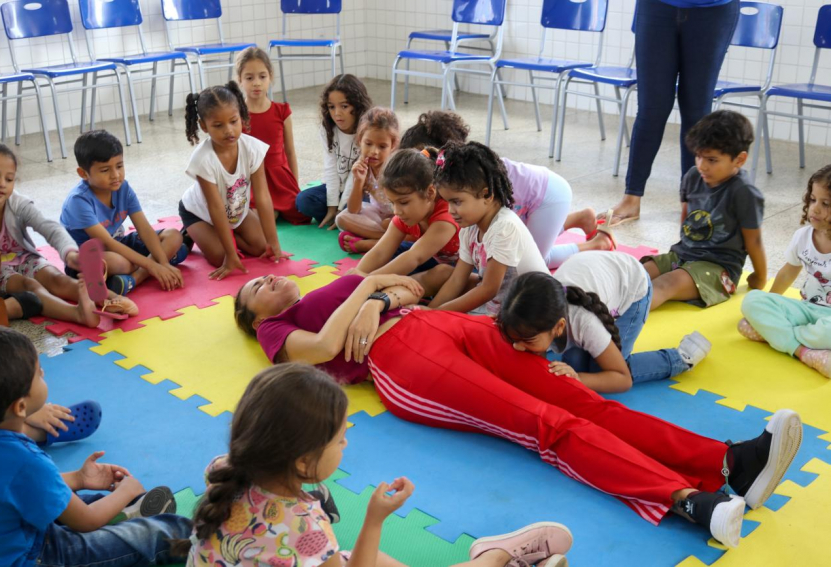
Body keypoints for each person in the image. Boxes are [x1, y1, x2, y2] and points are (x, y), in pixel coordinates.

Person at [233, 272, 803, 548]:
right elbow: (329, 350)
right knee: (544, 423)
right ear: (253, 316)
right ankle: (687, 501)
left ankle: (730, 464)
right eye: (255, 287)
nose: (270, 280)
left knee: (576, 396)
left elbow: (408, 284)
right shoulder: (278, 331)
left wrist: (380, 294)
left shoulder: (328, 285)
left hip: (437, 322)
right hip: (398, 358)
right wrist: (370, 298)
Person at [173, 363, 574, 566]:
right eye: (341, 437)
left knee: (374, 558)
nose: (347, 442)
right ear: (301, 461)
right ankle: (494, 558)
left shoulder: (223, 469)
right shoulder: (304, 526)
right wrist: (376, 519)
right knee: (367, 554)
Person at [0, 326, 191, 566]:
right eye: (37, 374)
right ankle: (216, 541)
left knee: (81, 500)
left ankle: (125, 514)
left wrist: (79, 479)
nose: (42, 370)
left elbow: (12, 487)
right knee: (165, 531)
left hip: (3, 539)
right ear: (20, 408)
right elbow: (86, 520)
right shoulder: (25, 460)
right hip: (35, 556)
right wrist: (126, 490)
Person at [401, 110, 614, 269]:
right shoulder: (459, 174)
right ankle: (577, 219)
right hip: (537, 195)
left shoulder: (471, 175)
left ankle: (596, 245)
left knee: (531, 261)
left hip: (549, 196)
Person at [598, 0, 740, 226]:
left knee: (697, 113)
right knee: (651, 108)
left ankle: (693, 202)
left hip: (712, 10)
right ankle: (631, 198)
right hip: (657, 7)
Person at [496, 252, 711, 393]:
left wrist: (578, 378)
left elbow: (622, 379)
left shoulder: (584, 323)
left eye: (527, 340)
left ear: (559, 326)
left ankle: (679, 359)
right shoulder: (527, 317)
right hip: (597, 272)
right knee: (570, 368)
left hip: (633, 288)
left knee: (597, 373)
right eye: (514, 339)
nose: (517, 346)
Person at [0, 141, 132, 328]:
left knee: (56, 278)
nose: (2, 184)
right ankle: (77, 314)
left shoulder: (17, 203)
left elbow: (49, 228)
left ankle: (111, 299)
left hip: (23, 258)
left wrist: (70, 254)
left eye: (9, 179)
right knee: (31, 286)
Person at [642, 111, 767, 310]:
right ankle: (593, 310)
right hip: (683, 255)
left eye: (712, 160)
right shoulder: (693, 176)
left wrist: (760, 277)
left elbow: (754, 240)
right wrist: (681, 254)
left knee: (665, 284)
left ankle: (615, 325)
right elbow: (686, 217)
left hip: (718, 267)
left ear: (739, 159)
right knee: (635, 274)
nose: (702, 166)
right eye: (698, 156)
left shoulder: (744, 192)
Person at [178, 81, 286, 281]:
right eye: (218, 126)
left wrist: (274, 242)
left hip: (236, 210)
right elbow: (215, 208)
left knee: (262, 247)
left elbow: (262, 196)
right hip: (200, 213)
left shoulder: (252, 148)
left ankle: (223, 236)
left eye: (234, 121)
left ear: (241, 116)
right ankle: (189, 232)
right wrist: (230, 253)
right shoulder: (203, 159)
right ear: (204, 126)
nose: (229, 130)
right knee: (220, 257)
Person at [426, 142, 549, 315]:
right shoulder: (469, 228)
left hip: (530, 315)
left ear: (487, 195)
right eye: (447, 202)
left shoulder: (504, 227)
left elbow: (488, 289)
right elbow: (457, 280)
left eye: (457, 202)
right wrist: (429, 313)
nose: (450, 210)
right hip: (499, 308)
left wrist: (436, 314)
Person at [60, 130, 187, 296]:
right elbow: (108, 244)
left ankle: (134, 279)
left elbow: (145, 229)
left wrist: (163, 263)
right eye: (105, 170)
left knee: (174, 236)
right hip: (90, 259)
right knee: (120, 263)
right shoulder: (78, 201)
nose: (116, 175)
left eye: (119, 166)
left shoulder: (123, 188)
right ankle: (147, 267)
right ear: (83, 173)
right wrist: (153, 265)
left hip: (119, 242)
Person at [739, 164, 831, 378]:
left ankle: (776, 335)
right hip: (807, 310)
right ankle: (804, 351)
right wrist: (771, 304)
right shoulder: (802, 237)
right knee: (752, 300)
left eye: (825, 203)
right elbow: (788, 272)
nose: (814, 208)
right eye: (812, 199)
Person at [353, 147, 459, 283]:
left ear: (430, 193)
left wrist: (368, 280)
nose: (396, 211)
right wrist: (355, 277)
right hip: (432, 258)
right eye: (392, 202)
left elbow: (415, 257)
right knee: (395, 256)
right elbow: (380, 252)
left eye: (403, 202)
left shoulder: (447, 216)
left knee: (440, 272)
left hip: (467, 272)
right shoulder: (406, 214)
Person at [236, 47, 310, 224]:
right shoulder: (236, 115)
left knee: (304, 211)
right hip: (252, 180)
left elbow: (290, 152)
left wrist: (295, 186)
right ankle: (269, 210)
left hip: (280, 180)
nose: (256, 83)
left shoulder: (282, 111)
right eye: (249, 78)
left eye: (262, 77)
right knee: (258, 217)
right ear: (240, 79)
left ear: (270, 77)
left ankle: (276, 208)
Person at [296, 74, 373, 228]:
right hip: (336, 188)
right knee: (303, 201)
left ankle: (342, 218)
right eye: (332, 107)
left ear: (357, 106)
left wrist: (340, 209)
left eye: (344, 106)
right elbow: (330, 167)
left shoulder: (367, 131)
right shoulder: (328, 129)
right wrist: (332, 207)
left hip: (359, 191)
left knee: (349, 210)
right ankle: (337, 218)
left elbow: (355, 177)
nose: (337, 113)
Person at [336, 107, 400, 253]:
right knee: (342, 219)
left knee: (389, 223)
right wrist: (358, 181)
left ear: (393, 146)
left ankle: (375, 242)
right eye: (368, 144)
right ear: (360, 141)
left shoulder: (396, 167)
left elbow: (405, 210)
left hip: (401, 218)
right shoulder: (363, 166)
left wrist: (392, 222)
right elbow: (353, 210)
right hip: (378, 216)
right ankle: (386, 240)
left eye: (382, 146)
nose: (374, 152)